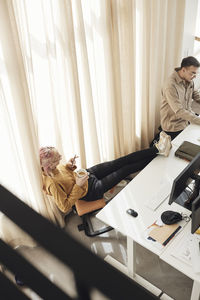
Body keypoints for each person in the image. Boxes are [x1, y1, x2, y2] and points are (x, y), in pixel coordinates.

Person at [40, 132, 171, 214]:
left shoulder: (53, 168)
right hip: (91, 191)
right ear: (50, 165)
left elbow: (65, 173)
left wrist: (69, 165)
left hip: (88, 174)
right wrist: (78, 185)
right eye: (58, 158)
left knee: (120, 161)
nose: (61, 157)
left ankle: (156, 149)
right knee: (125, 170)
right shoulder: (52, 184)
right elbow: (65, 207)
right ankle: (157, 155)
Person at [150, 56, 200, 146]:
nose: (195, 76)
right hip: (173, 126)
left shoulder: (189, 80)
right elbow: (179, 111)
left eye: (196, 73)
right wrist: (198, 120)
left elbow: (195, 94)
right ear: (183, 70)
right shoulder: (170, 85)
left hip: (186, 121)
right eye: (192, 73)